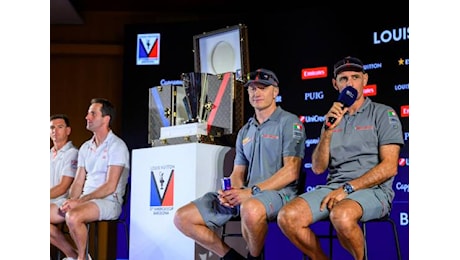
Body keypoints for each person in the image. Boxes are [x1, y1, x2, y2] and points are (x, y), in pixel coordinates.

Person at [277, 56, 404, 260]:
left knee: (341, 215)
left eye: (355, 77)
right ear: (335, 84)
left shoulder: (382, 113)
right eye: (343, 78)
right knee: (287, 217)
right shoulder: (331, 118)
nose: (350, 83)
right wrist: (327, 131)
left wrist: (348, 189)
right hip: (334, 188)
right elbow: (318, 168)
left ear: (365, 79)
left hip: (373, 190)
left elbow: (390, 167)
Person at [173, 68, 306, 260]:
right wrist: (231, 192)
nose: (256, 93)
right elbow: (238, 172)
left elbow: (291, 172)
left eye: (262, 88)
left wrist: (251, 192)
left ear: (275, 92)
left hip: (280, 194)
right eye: (252, 89)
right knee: (182, 218)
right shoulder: (245, 131)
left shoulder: (289, 122)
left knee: (250, 209)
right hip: (247, 194)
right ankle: (232, 258)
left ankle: (253, 257)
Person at [50, 98, 130, 260]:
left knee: (73, 216)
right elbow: (79, 181)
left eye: (93, 113)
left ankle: (82, 258)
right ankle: (73, 255)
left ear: (106, 119)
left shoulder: (117, 146)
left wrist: (79, 202)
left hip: (109, 201)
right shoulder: (86, 147)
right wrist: (72, 199)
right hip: (85, 200)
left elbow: (110, 186)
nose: (87, 117)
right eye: (88, 113)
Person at [50, 114, 78, 205]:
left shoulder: (72, 153)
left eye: (60, 127)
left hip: (61, 202)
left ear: (68, 131)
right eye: (52, 128)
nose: (55, 131)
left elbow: (63, 188)